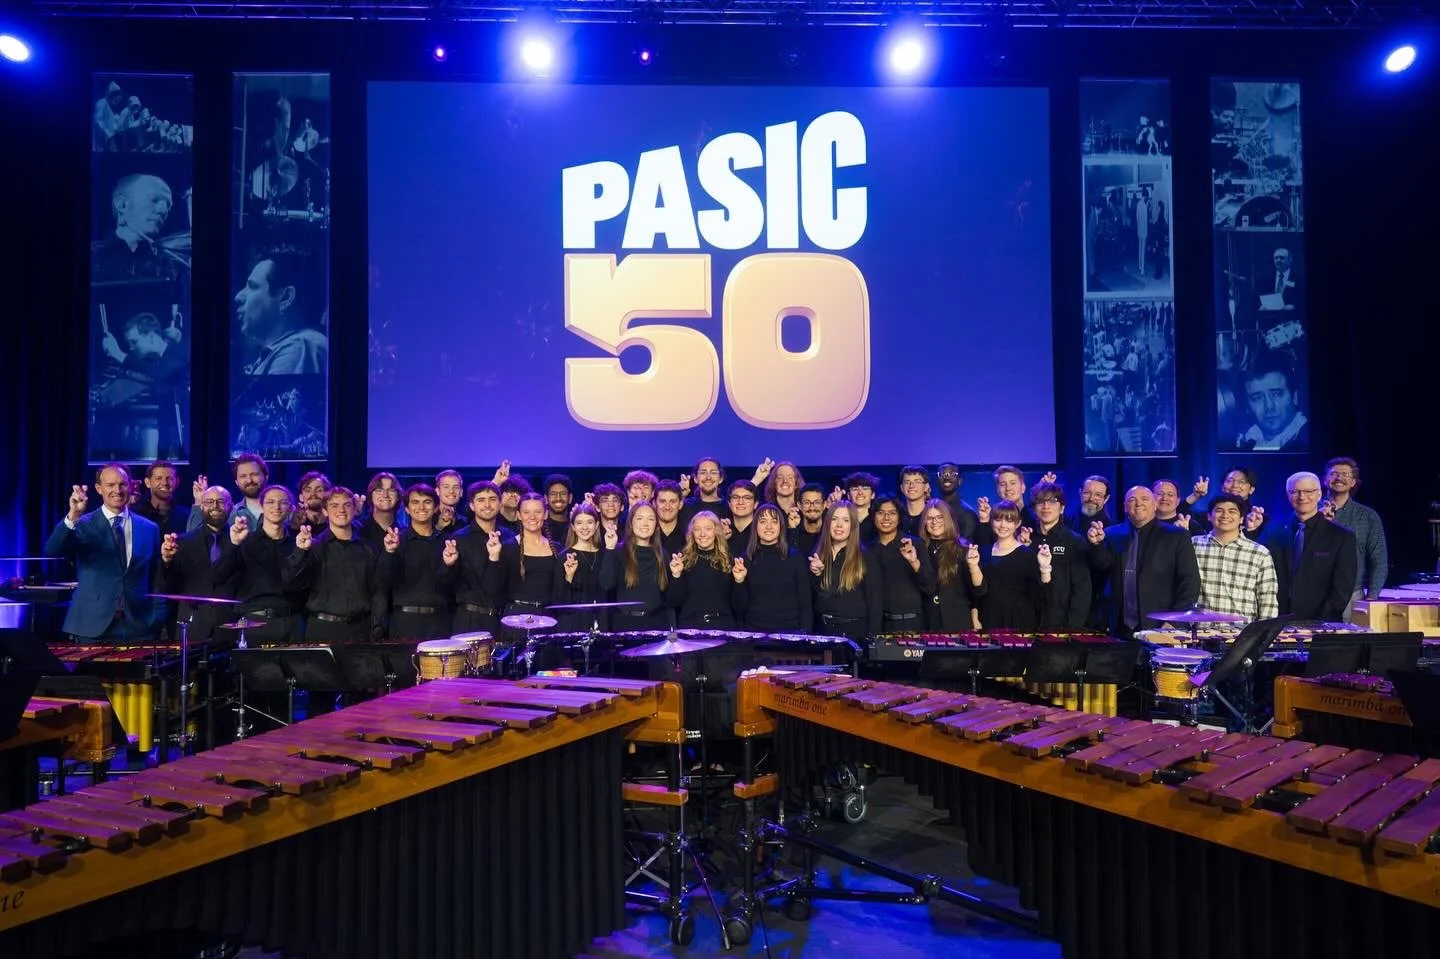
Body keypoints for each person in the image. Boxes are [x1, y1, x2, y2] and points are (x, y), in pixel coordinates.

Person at [43, 464, 166, 641]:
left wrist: (157, 617)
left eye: (122, 484)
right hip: (91, 626)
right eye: (110, 485)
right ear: (99, 488)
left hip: (139, 627)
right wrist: (73, 516)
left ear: (130, 486)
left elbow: (156, 577)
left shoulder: (149, 528)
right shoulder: (82, 524)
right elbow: (52, 550)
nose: (117, 490)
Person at [1086, 486, 1200, 637]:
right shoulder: (1111, 533)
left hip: (1161, 627)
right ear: (1125, 507)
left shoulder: (1177, 536)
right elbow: (1101, 566)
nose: (1138, 503)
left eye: (1145, 499)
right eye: (1132, 500)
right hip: (1117, 627)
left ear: (1154, 504)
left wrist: (1174, 622)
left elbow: (1190, 582)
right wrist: (1096, 545)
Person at [1265, 472, 1357, 621]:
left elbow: (1343, 587)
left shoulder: (1341, 536)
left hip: (1321, 623)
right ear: (1288, 495)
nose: (1302, 497)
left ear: (1319, 494)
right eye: (1295, 492)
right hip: (1276, 618)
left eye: (1308, 491)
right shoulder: (1273, 531)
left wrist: (1321, 620)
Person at [235, 247, 328, 375]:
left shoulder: (298, 348)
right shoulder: (290, 348)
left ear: (286, 297)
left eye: (252, 286)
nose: (238, 296)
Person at [1190, 494, 1279, 622]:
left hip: (1242, 631)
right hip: (1199, 630)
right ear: (1209, 516)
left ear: (1242, 518)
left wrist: (1265, 633)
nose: (1225, 515)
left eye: (1232, 511)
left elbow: (1268, 600)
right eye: (1219, 510)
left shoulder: (1259, 553)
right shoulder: (1192, 545)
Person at [1322, 457, 1388, 614]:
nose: (1339, 478)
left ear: (1353, 482)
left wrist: (1372, 597)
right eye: (1334, 474)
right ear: (1325, 480)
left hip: (1353, 596)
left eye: (1345, 474)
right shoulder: (1310, 512)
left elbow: (1379, 560)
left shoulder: (1368, 516)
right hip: (1315, 594)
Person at [1237, 356, 1308, 451]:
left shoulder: (1309, 439)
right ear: (1247, 407)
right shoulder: (1244, 442)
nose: (1269, 406)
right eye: (1257, 398)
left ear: (1295, 397)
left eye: (1276, 394)